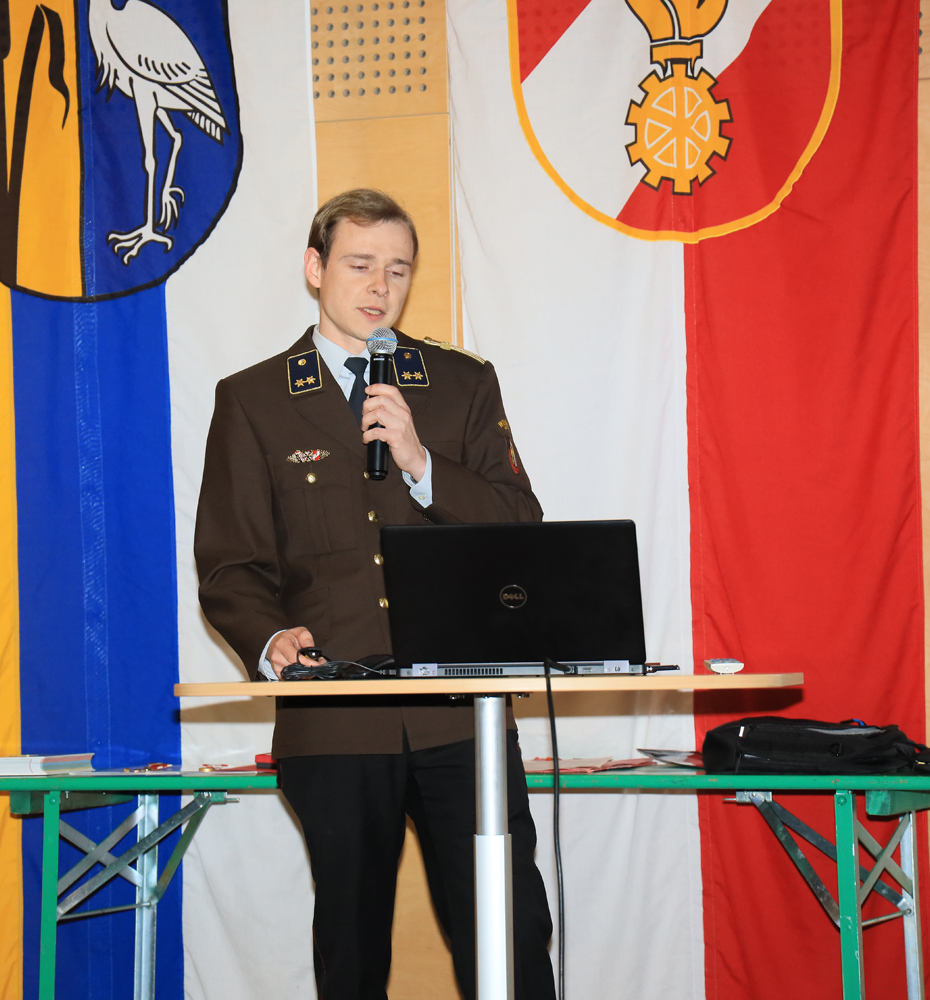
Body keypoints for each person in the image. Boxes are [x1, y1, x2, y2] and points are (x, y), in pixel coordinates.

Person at [194, 189, 557, 1000]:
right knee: (351, 952)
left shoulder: (459, 384)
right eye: (359, 264)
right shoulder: (253, 400)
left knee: (508, 939)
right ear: (314, 268)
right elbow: (229, 564)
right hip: (335, 719)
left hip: (463, 714)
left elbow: (520, 526)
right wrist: (269, 638)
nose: (379, 286)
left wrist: (423, 464)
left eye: (397, 269)